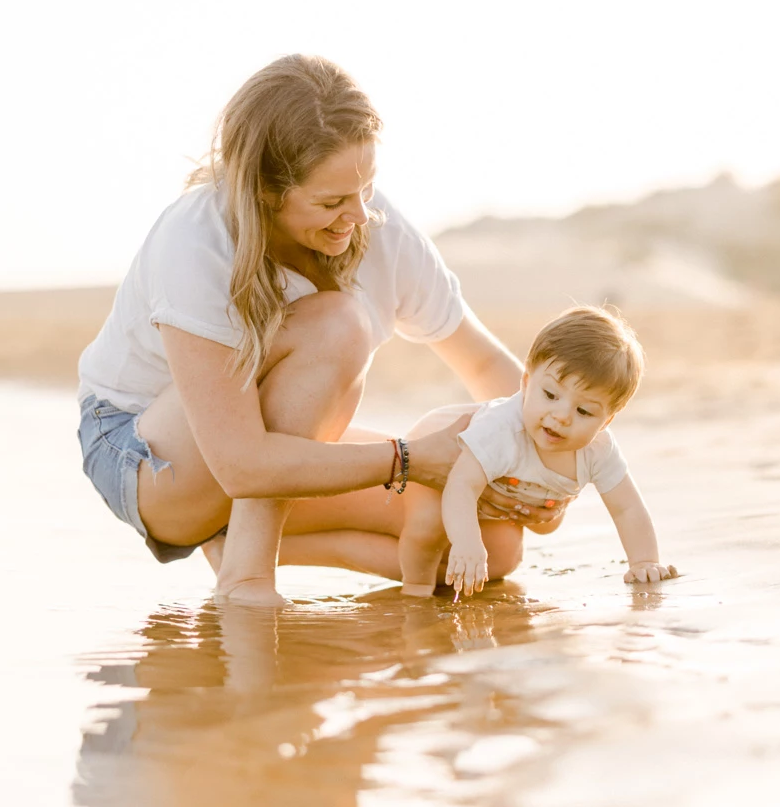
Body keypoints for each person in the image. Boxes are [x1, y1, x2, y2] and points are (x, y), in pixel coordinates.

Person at [75, 55, 557, 605]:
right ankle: (247, 578)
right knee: (338, 325)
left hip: (257, 452)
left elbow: (482, 362)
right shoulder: (195, 240)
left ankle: (232, 543)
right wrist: (412, 459)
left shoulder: (375, 225)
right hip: (146, 457)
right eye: (332, 202)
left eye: (366, 189)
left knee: (493, 546)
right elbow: (240, 465)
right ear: (265, 191)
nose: (360, 216)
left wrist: (543, 471)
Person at [398, 306, 677, 597]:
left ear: (606, 421)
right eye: (550, 395)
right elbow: (461, 485)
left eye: (583, 411)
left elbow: (627, 508)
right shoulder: (501, 429)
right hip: (440, 459)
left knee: (514, 545)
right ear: (526, 382)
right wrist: (467, 542)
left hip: (496, 483)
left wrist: (644, 561)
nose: (562, 416)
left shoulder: (599, 449)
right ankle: (416, 589)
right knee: (427, 525)